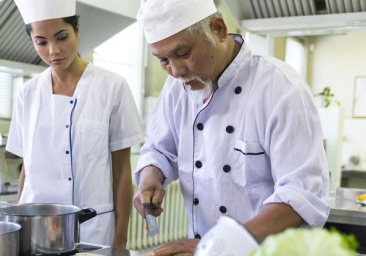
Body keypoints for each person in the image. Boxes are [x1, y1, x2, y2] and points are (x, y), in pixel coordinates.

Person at [133, 0, 330, 254]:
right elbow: (159, 150)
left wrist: (221, 246)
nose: (176, 70)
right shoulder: (176, 89)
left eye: (182, 53)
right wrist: (150, 179)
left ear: (218, 29)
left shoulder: (280, 88)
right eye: (163, 60)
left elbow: (301, 196)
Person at [7, 0, 144, 248]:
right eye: (41, 42)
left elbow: (122, 170)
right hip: (35, 228)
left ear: (77, 28)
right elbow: (27, 170)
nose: (53, 51)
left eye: (61, 37)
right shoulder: (27, 94)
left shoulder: (112, 87)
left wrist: (120, 240)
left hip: (92, 228)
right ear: (32, 40)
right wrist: (18, 224)